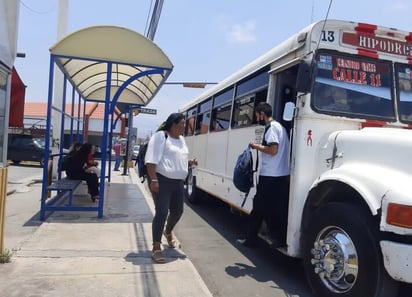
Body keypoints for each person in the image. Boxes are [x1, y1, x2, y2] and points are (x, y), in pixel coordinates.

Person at [145, 113, 197, 263]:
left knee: (178, 211)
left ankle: (168, 232)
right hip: (162, 180)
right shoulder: (161, 136)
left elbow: (177, 158)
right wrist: (153, 179)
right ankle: (156, 247)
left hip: (178, 182)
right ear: (173, 124)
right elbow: (150, 161)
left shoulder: (181, 140)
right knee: (162, 211)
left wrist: (189, 162)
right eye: (182, 123)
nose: (185, 126)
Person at [237, 102, 290, 248]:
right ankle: (277, 239)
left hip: (269, 175)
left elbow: (273, 150)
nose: (257, 118)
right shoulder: (280, 128)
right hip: (281, 174)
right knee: (275, 208)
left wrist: (256, 146)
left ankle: (250, 239)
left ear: (262, 113)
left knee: (258, 208)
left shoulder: (271, 128)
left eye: (257, 115)